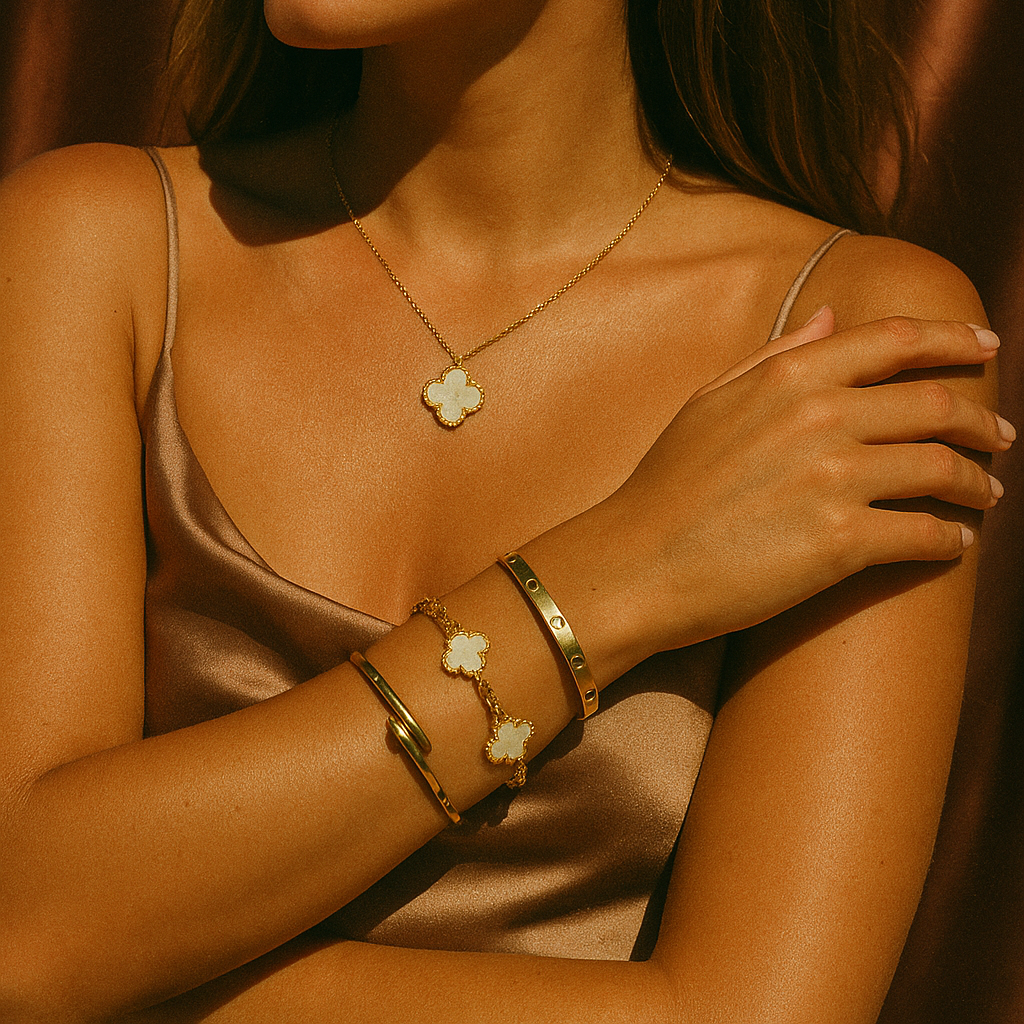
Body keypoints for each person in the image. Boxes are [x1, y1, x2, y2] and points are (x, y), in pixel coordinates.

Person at [0, 0, 1014, 1020]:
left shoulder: (849, 344)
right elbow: (19, 929)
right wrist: (616, 576)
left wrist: (124, 964)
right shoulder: (93, 244)